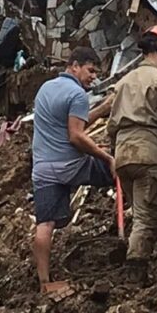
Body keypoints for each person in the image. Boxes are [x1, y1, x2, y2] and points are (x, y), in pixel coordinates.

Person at [31, 47, 115, 298]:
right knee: (119, 170)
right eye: (90, 71)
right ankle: (132, 227)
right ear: (75, 66)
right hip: (71, 165)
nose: (93, 77)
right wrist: (107, 157)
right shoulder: (77, 94)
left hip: (43, 168)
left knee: (44, 224)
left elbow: (71, 123)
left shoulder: (45, 88)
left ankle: (44, 282)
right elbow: (76, 136)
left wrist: (103, 108)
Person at [107, 25, 157, 284]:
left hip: (123, 156)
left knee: (139, 211)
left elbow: (111, 126)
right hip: (149, 155)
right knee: (147, 217)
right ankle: (135, 273)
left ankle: (134, 264)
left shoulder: (123, 82)